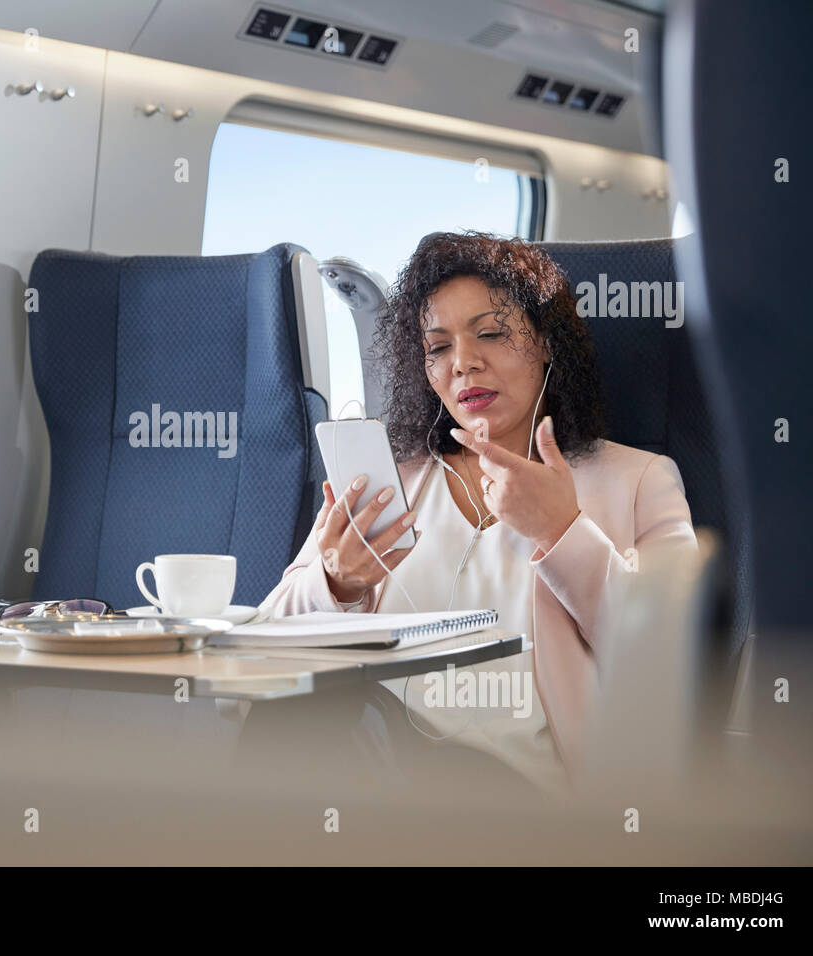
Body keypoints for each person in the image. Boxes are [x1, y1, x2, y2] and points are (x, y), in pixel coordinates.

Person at [259, 231, 697, 791]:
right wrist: (335, 585)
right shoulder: (393, 480)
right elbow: (262, 646)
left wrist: (563, 532)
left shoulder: (637, 480)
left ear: (546, 343)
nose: (463, 363)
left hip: (525, 800)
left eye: (490, 333)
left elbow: (672, 658)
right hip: (374, 773)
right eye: (438, 348)